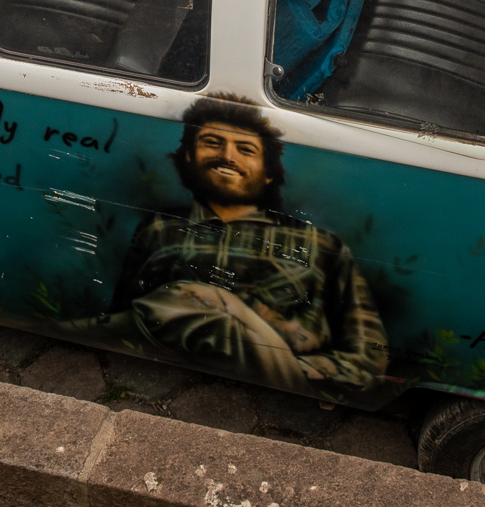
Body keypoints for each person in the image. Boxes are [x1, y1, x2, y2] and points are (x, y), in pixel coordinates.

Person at [69, 93, 389, 395]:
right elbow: (126, 320)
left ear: (268, 173)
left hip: (284, 375)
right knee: (187, 301)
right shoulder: (159, 228)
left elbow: (368, 357)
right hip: (167, 360)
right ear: (190, 156)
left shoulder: (320, 245)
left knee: (201, 298)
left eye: (245, 149)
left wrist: (290, 367)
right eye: (212, 142)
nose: (226, 156)